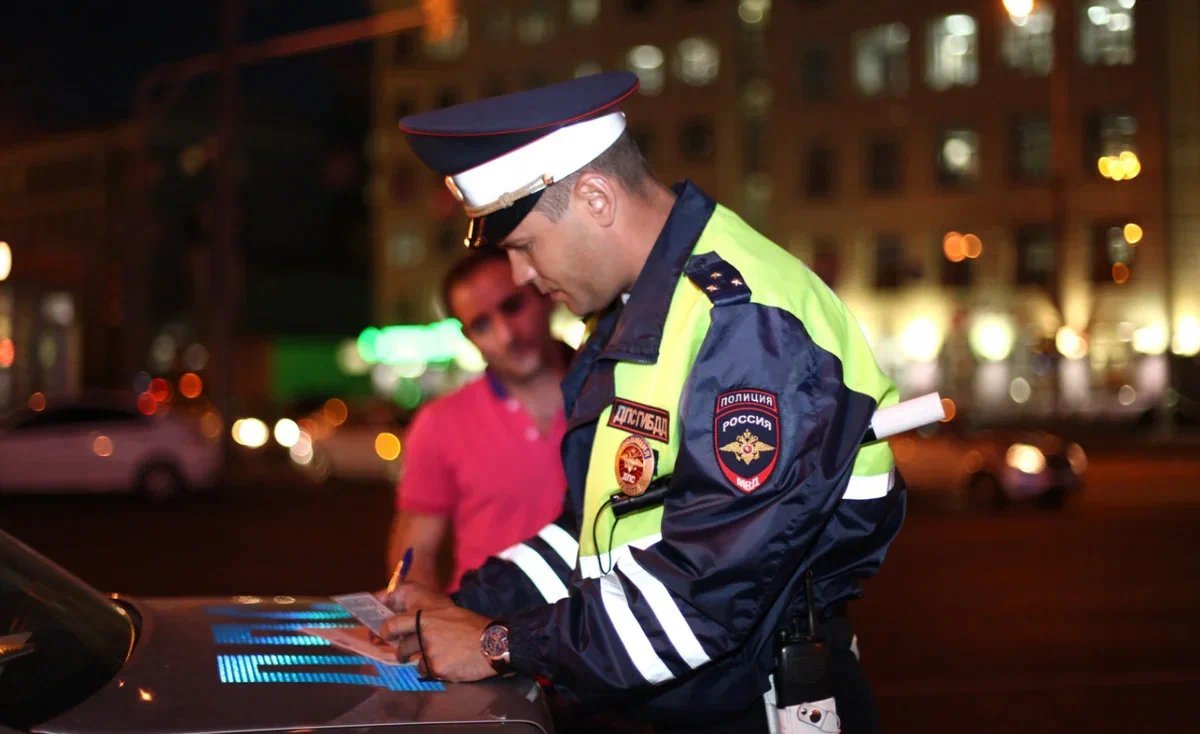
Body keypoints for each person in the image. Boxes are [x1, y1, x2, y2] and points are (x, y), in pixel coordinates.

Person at [379, 71, 904, 734]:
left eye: (523, 246)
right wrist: (460, 606)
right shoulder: (638, 314)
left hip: (763, 708)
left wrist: (498, 642)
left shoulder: (739, 322)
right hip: (682, 697)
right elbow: (602, 529)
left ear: (596, 198)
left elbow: (701, 597)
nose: (523, 278)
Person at [386, 247, 570, 591]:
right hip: (482, 634)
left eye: (513, 306)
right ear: (468, 338)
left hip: (598, 634)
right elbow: (414, 556)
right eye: (481, 324)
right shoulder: (440, 423)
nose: (506, 335)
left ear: (545, 295)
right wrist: (425, 623)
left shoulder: (614, 393)